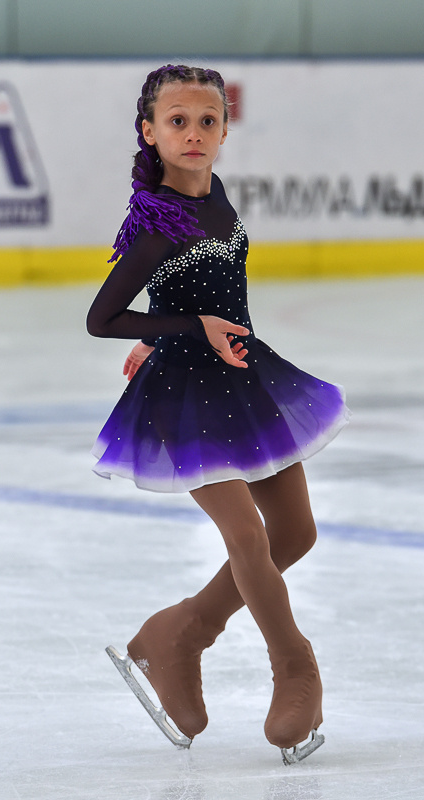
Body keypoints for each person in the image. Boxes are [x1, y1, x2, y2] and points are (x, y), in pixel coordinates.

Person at [86, 64, 350, 762]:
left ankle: (182, 633)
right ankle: (295, 666)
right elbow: (100, 316)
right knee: (248, 534)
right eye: (178, 121)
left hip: (242, 377)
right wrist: (175, 333)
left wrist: (167, 328)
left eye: (208, 120)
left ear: (225, 127)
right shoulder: (155, 222)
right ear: (150, 131)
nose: (194, 133)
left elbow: (202, 286)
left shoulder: (217, 195)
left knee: (294, 532)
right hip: (183, 397)